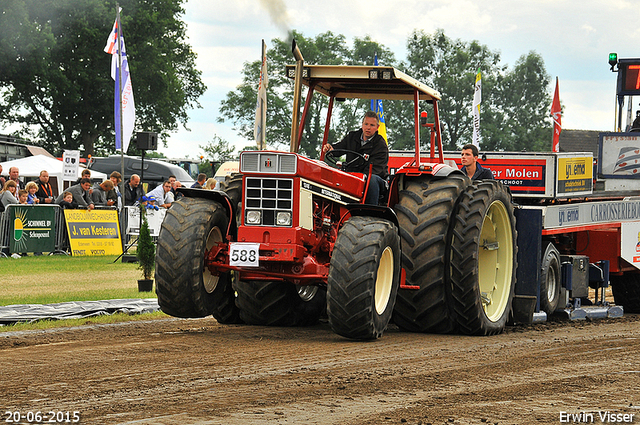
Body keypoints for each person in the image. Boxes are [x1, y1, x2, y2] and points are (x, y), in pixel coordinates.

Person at [322, 111, 389, 205]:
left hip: (374, 179)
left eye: (372, 125)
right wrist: (331, 149)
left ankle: (369, 211)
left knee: (371, 180)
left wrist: (357, 178)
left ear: (377, 127)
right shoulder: (352, 137)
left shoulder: (380, 145)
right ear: (362, 125)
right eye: (366, 124)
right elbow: (340, 148)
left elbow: (375, 169)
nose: (368, 128)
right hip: (352, 175)